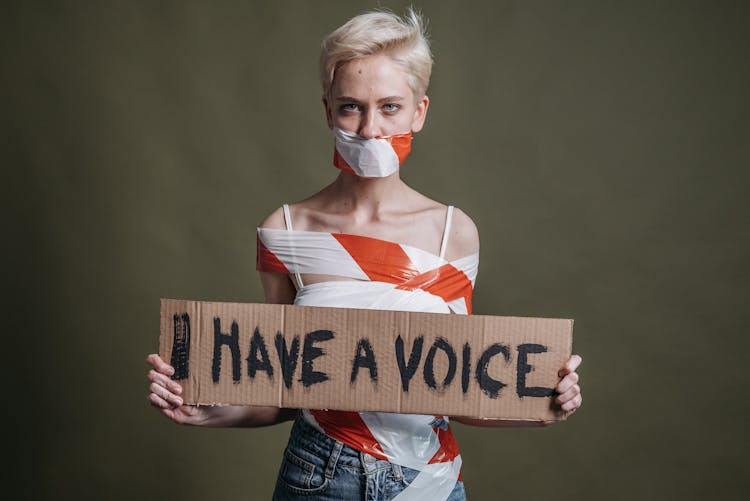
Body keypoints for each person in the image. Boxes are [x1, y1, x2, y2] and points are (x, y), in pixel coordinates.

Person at [146, 9, 582, 500]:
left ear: (419, 111)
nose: (371, 128)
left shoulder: (452, 234)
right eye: (352, 107)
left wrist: (544, 401)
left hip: (428, 480)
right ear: (328, 111)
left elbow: (462, 388)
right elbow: (284, 388)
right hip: (318, 475)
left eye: (390, 107)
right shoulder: (286, 230)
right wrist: (209, 411)